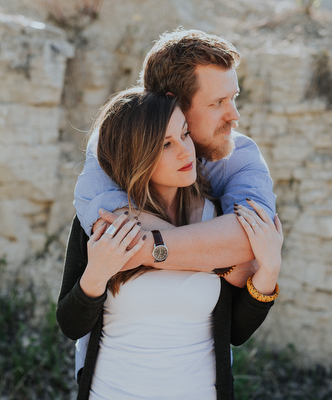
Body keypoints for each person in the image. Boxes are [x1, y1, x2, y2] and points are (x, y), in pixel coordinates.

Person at [57, 88, 283, 400]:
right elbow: (70, 324)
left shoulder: (217, 222)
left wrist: (268, 273)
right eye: (166, 144)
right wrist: (95, 276)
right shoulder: (105, 222)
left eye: (185, 134)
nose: (185, 151)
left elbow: (237, 333)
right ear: (135, 154)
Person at [74, 29, 276, 275]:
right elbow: (109, 222)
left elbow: (254, 237)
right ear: (175, 101)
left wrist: (149, 247)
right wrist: (222, 251)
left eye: (234, 98)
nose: (235, 116)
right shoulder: (115, 142)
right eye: (217, 103)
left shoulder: (240, 153)